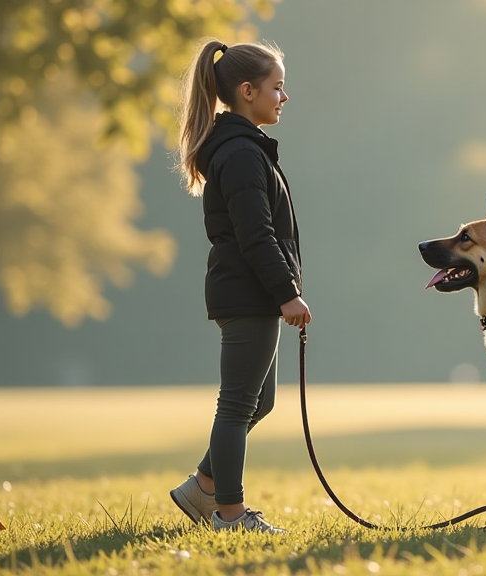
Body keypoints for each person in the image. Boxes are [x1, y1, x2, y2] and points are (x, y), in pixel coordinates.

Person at [169, 38, 311, 533]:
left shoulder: (242, 148)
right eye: (277, 88)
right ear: (248, 92)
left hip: (250, 295)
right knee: (236, 407)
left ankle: (203, 486)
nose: (283, 97)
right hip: (249, 295)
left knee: (259, 401)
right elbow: (257, 235)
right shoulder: (242, 154)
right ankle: (229, 514)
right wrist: (286, 291)